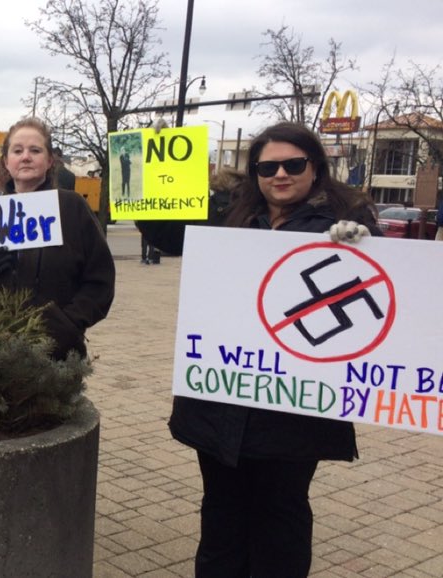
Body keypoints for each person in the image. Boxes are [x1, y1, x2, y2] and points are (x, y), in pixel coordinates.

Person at [139, 122, 381, 578]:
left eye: (293, 164)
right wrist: (148, 174)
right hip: (221, 403)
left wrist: (365, 245)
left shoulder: (343, 224)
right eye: (267, 167)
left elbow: (382, 290)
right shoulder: (230, 215)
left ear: (316, 167)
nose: (280, 175)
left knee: (280, 520)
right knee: (221, 518)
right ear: (254, 173)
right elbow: (168, 235)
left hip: (292, 412)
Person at [0, 117, 115, 361]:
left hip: (51, 355)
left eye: (35, 150)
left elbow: (100, 282)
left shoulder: (71, 208)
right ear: (7, 161)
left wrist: (66, 325)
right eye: (18, 151)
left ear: (49, 161)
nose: (26, 156)